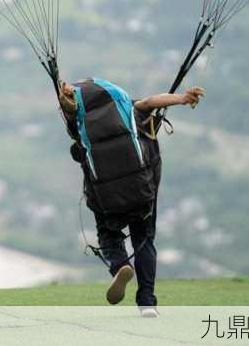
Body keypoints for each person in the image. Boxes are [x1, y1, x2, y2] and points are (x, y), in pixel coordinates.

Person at [58, 77, 205, 318]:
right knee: (144, 241)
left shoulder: (79, 126)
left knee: (109, 237)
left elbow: (77, 149)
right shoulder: (128, 110)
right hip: (141, 192)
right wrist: (183, 98)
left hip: (106, 199)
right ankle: (147, 302)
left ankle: (120, 265)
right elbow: (151, 101)